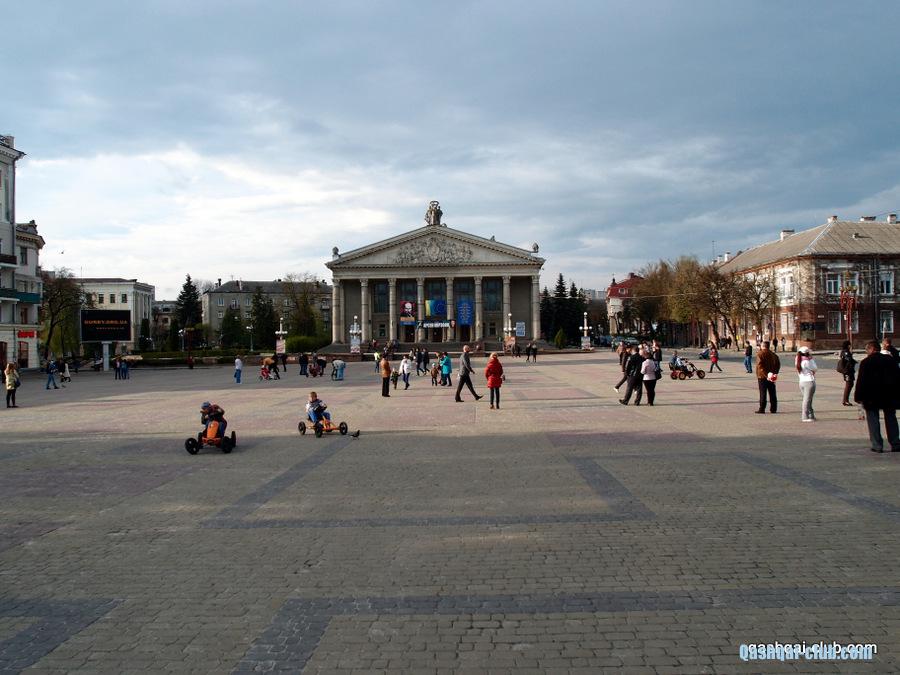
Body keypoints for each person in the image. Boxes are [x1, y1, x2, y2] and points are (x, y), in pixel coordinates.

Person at [854, 340, 900, 453]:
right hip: (889, 395)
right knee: (891, 418)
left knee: (873, 419)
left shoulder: (866, 362)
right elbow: (898, 377)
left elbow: (861, 381)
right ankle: (895, 443)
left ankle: (877, 445)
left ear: (871, 349)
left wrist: (858, 397)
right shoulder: (890, 360)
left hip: (871, 396)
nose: (866, 352)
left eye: (867, 350)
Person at [755, 341, 781, 413]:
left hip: (762, 376)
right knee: (772, 392)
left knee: (763, 392)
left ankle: (762, 408)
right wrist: (774, 374)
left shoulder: (760, 354)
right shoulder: (774, 355)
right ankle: (773, 408)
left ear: (763, 346)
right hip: (772, 376)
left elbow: (760, 366)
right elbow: (778, 365)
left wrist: (766, 375)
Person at [796, 346, 817, 422]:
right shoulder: (807, 362)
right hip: (809, 382)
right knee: (807, 400)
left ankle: (811, 415)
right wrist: (811, 359)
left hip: (801, 381)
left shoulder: (797, 360)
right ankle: (804, 416)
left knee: (807, 399)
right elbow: (815, 368)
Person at [838, 340, 856, 406]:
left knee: (850, 384)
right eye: (849, 345)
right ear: (848, 345)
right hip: (847, 371)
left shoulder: (845, 351)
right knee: (849, 384)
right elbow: (848, 360)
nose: (850, 346)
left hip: (848, 370)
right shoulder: (845, 352)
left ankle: (845, 400)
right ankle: (845, 400)